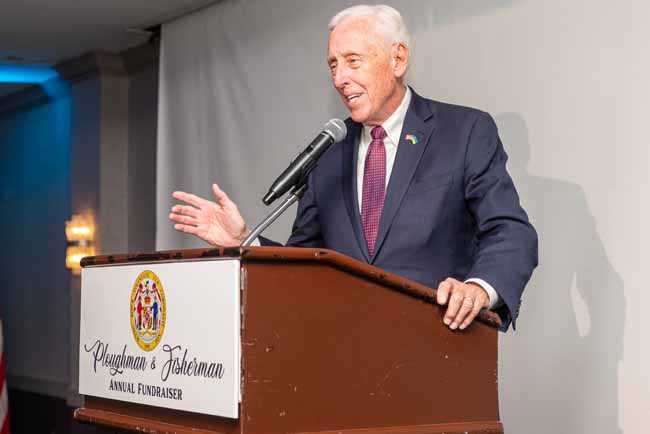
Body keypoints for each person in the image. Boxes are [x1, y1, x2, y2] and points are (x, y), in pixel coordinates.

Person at [169, 4, 537, 331]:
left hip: (437, 357)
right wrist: (244, 240)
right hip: (344, 364)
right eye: (333, 64)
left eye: (353, 61)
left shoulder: (464, 132)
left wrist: (478, 288)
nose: (339, 78)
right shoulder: (329, 152)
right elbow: (305, 263)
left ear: (398, 59)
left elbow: (511, 232)